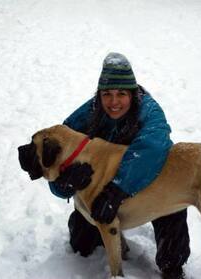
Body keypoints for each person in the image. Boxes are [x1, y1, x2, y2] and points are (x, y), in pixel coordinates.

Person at [48, 52, 190, 279]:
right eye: (107, 94)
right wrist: (64, 183)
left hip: (150, 179)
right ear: (99, 95)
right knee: (82, 245)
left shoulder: (149, 111)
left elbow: (153, 148)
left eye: (122, 94)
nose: (114, 102)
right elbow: (56, 156)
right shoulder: (86, 116)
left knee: (172, 206)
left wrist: (117, 189)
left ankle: (172, 265)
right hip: (103, 190)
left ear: (132, 94)